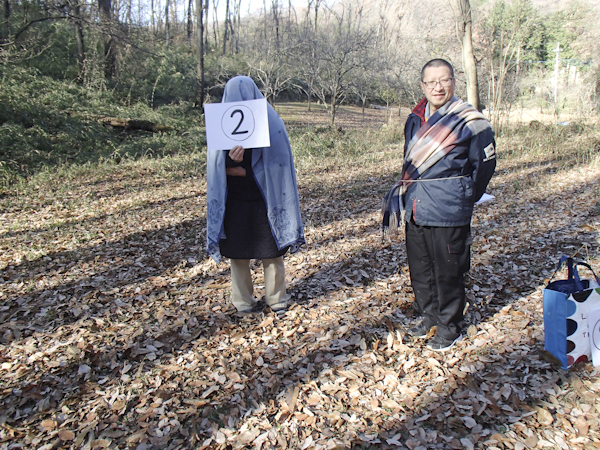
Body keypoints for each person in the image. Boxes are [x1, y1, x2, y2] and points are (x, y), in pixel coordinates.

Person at [382, 59, 496, 351]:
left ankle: (450, 326)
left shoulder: (470, 120)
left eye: (443, 80)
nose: (437, 87)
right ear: (422, 86)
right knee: (420, 266)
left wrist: (465, 193)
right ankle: (428, 314)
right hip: (416, 203)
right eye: (431, 82)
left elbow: (484, 164)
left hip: (449, 205)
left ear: (453, 82)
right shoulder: (415, 118)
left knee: (448, 268)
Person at [206, 76, 305, 315]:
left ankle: (277, 299)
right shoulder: (221, 123)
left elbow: (278, 165)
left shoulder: (272, 124)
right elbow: (215, 167)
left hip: (266, 200)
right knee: (237, 254)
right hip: (235, 201)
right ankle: (243, 302)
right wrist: (232, 164)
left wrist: (244, 169)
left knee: (271, 252)